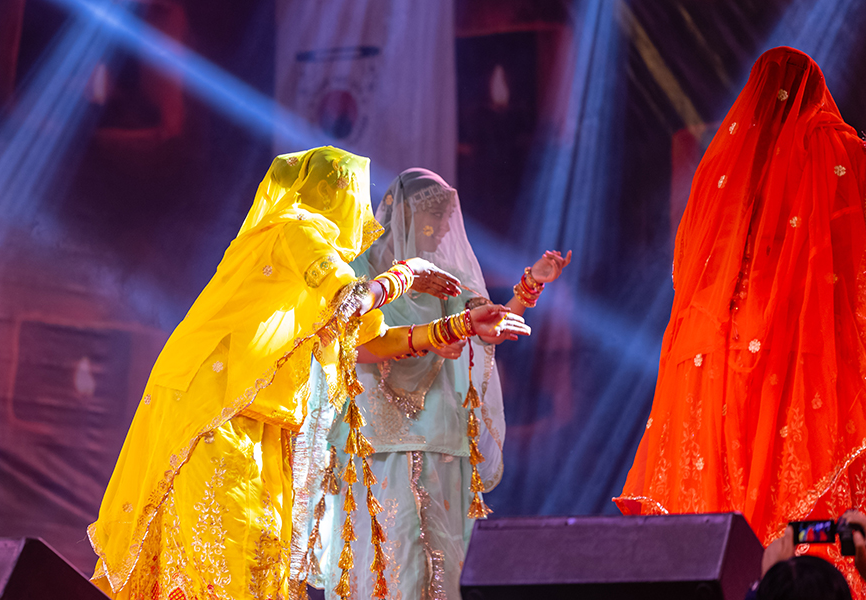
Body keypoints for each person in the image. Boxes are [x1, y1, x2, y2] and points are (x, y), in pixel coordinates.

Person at [88, 147, 530, 600]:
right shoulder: (296, 230)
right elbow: (352, 302)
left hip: (259, 414)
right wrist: (407, 273)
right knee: (227, 555)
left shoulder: (313, 251)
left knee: (261, 556)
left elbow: (369, 339)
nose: (362, 211)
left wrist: (458, 324)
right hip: (216, 409)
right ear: (332, 192)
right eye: (355, 193)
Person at [615, 47, 866, 591]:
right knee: (791, 482)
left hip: (713, 349)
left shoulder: (725, 167)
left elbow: (692, 264)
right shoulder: (831, 146)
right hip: (796, 343)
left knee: (721, 488)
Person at [304, 168, 568, 600]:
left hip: (440, 433)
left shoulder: (446, 275)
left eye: (448, 216)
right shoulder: (361, 272)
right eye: (437, 215)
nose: (446, 226)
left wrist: (531, 284)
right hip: (377, 435)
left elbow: (486, 322)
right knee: (393, 558)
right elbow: (346, 343)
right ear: (407, 214)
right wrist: (432, 336)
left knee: (441, 563)